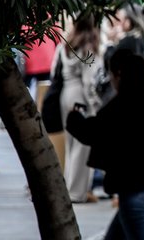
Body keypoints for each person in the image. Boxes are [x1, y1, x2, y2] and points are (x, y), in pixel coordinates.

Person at [66, 49, 144, 240]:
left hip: (133, 194)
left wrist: (74, 117)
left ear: (119, 75)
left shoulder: (120, 106)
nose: (111, 80)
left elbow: (90, 132)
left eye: (111, 75)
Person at [59, 15, 105, 203]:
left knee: (71, 144)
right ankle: (77, 192)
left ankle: (70, 187)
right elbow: (89, 81)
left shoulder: (67, 44)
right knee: (82, 145)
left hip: (66, 93)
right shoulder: (88, 48)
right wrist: (96, 105)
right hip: (80, 97)